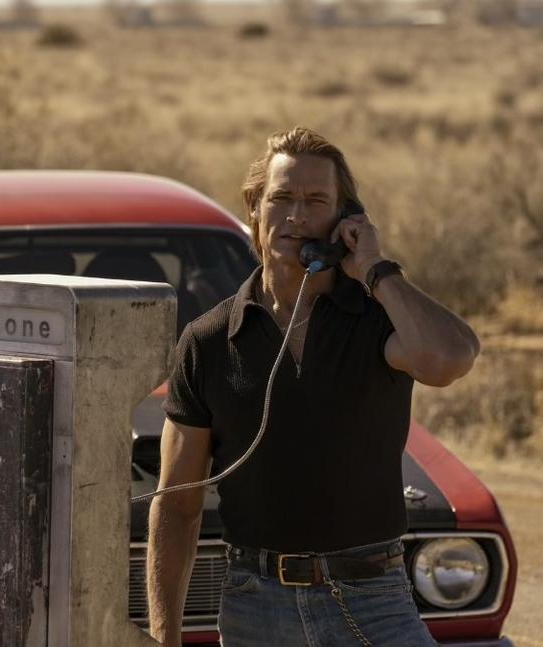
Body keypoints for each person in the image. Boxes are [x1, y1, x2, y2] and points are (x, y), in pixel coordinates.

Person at [146, 126, 480, 647]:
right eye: (281, 198)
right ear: (254, 210)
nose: (297, 216)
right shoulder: (209, 341)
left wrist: (375, 268)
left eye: (316, 201)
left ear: (345, 220)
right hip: (255, 605)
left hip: (370, 598)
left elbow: (448, 360)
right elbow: (176, 504)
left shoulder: (376, 319)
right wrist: (164, 638)